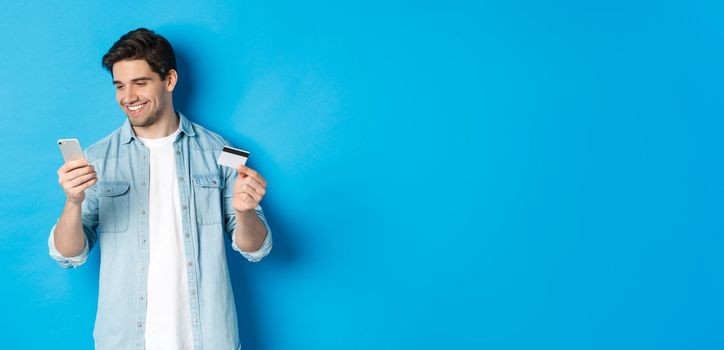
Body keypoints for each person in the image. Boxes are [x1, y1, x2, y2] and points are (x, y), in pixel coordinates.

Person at [48, 27, 272, 349]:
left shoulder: (218, 150)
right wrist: (72, 202)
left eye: (140, 83)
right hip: (125, 340)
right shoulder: (97, 158)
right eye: (120, 86)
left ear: (169, 80)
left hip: (207, 338)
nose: (128, 97)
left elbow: (256, 248)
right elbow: (68, 255)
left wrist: (245, 210)